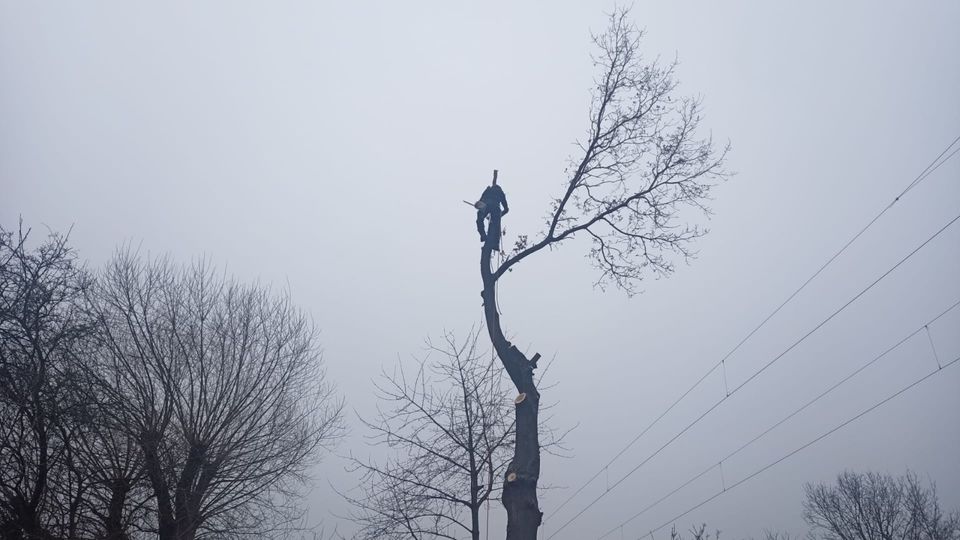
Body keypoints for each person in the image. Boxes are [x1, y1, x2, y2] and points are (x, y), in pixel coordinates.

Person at [475, 174, 508, 243]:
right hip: (495, 207)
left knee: (479, 220)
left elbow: (481, 200)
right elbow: (506, 209)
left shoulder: (488, 189)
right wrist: (500, 215)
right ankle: (495, 242)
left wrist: (478, 206)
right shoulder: (500, 192)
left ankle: (483, 235)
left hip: (486, 205)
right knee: (496, 224)